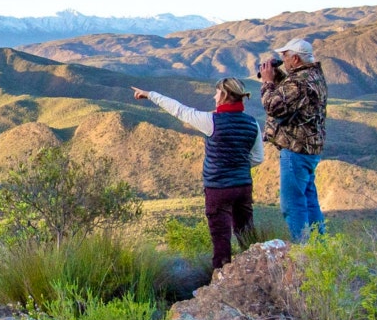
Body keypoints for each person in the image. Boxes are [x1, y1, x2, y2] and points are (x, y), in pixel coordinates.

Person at [132, 78, 264, 270]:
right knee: (246, 233)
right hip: (243, 186)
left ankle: (220, 281)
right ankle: (254, 271)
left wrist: (150, 95)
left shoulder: (211, 122)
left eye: (217, 92)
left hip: (218, 189)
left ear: (225, 95)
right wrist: (238, 166)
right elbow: (258, 158)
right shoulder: (253, 124)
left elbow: (179, 110)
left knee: (221, 239)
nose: (214, 96)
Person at [259, 38, 328, 242]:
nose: (283, 59)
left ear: (295, 58)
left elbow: (273, 106)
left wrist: (267, 82)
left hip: (296, 148)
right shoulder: (313, 75)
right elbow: (292, 96)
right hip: (310, 149)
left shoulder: (299, 82)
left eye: (285, 56)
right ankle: (319, 248)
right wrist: (277, 74)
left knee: (292, 205)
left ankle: (303, 251)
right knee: (308, 201)